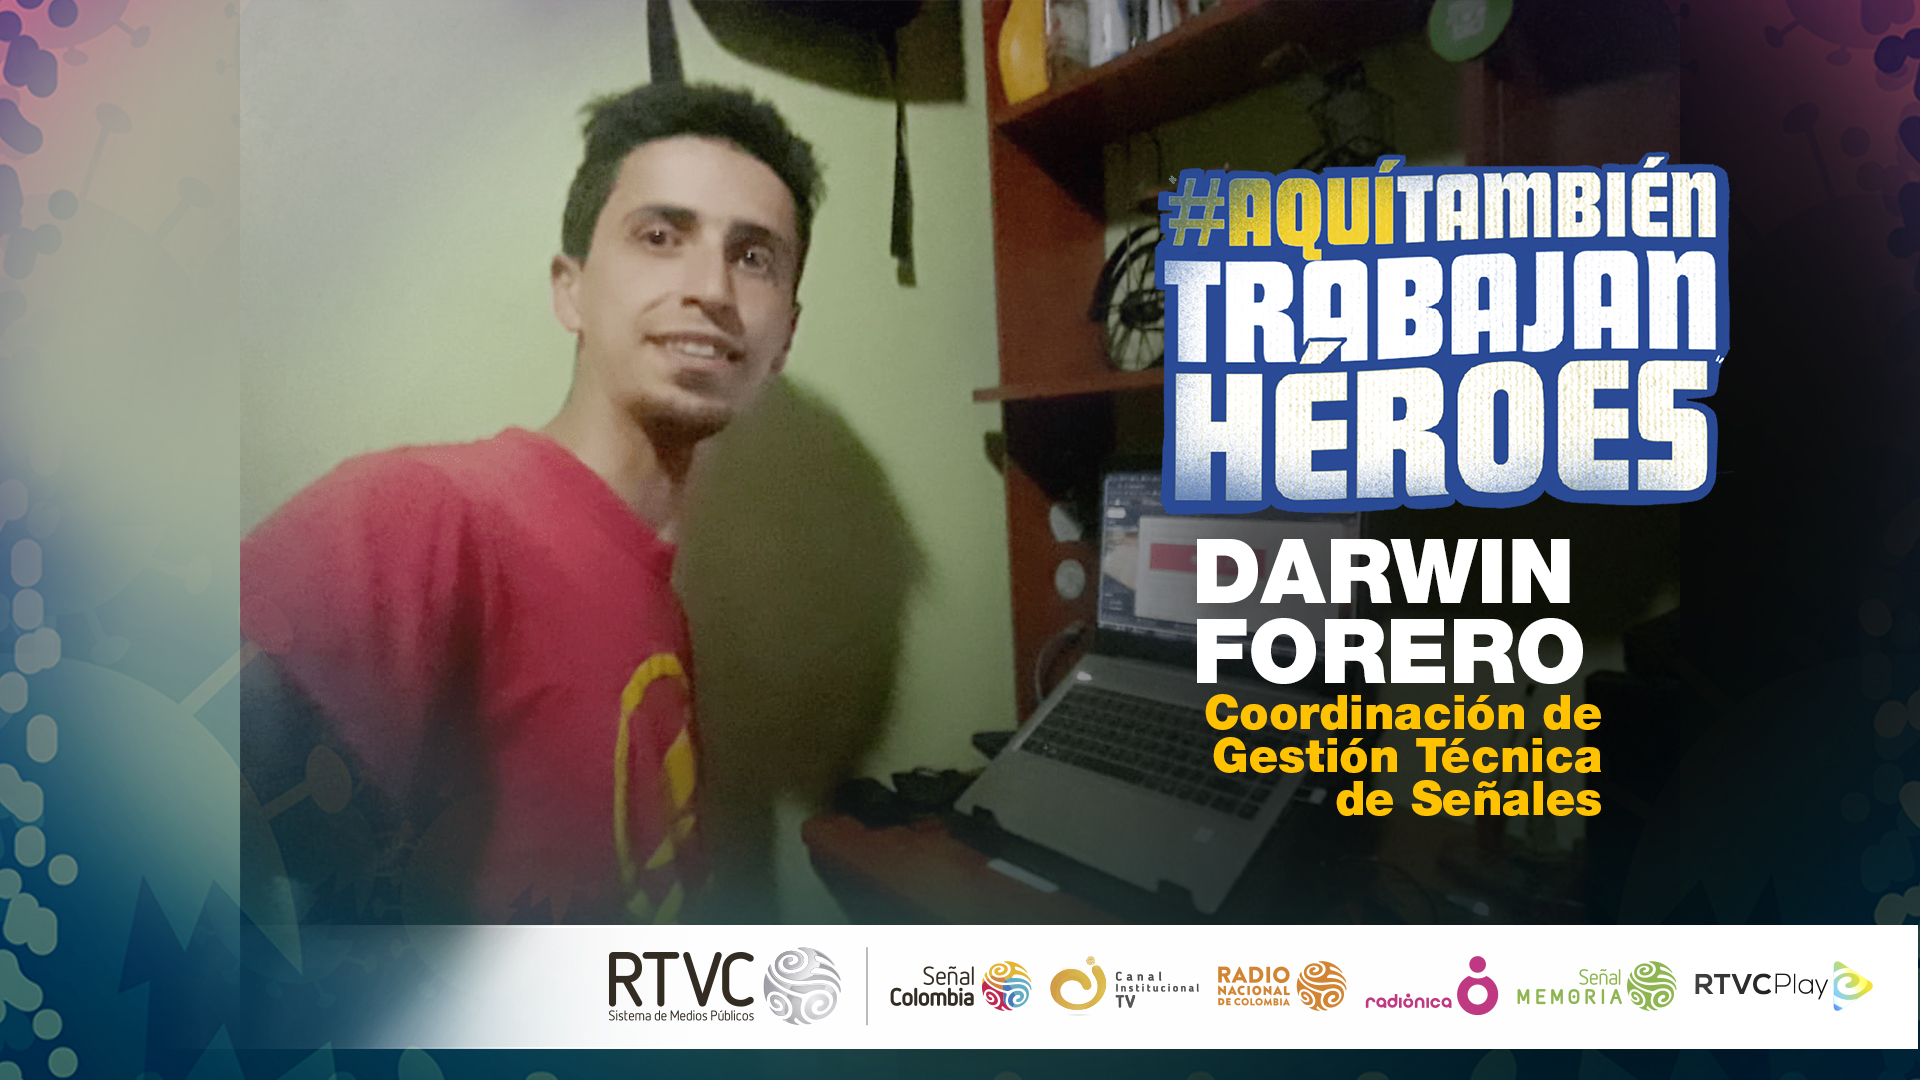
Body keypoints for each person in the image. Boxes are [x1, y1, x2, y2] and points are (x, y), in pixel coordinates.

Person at [240, 82, 823, 925]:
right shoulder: (420, 515)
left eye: (755, 257)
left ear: (785, 338)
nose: (712, 288)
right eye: (661, 236)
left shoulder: (661, 603)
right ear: (569, 290)